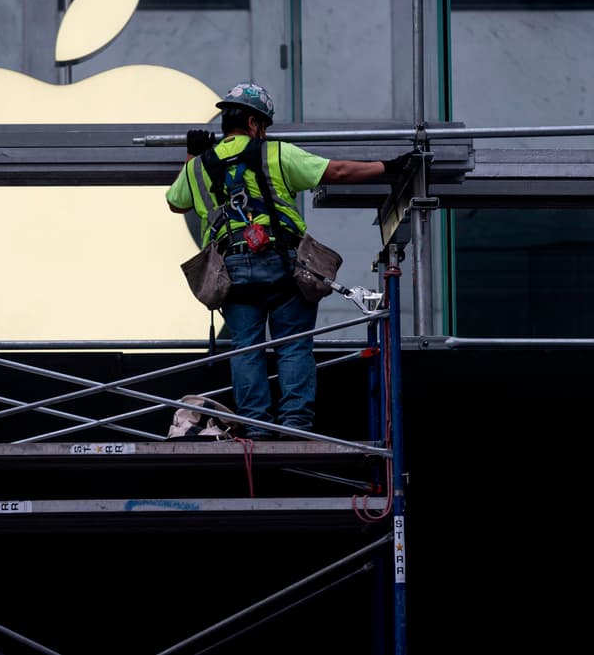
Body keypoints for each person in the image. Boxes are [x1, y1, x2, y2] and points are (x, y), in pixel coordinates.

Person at [165, 82, 412, 440]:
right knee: (293, 345)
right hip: (282, 264)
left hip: (230, 271)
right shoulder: (275, 154)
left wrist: (192, 157)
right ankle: (295, 424)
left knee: (247, 348)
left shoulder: (199, 167)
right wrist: (388, 167)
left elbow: (176, 202)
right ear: (254, 124)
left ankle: (257, 427)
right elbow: (338, 172)